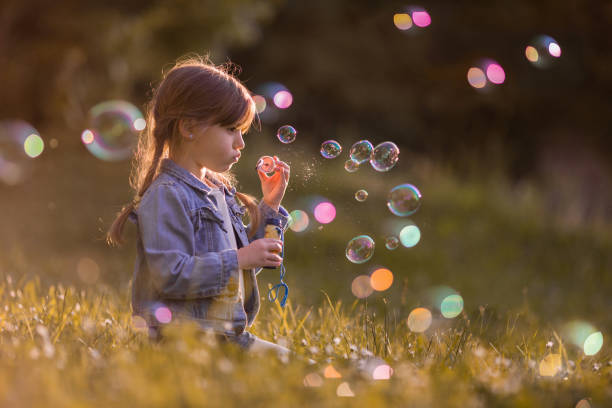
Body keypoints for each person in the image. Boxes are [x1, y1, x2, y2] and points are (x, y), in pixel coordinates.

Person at [106, 55, 291, 356]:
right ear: (189, 128)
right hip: (183, 343)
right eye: (231, 129)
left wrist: (270, 206)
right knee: (297, 372)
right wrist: (240, 258)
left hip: (225, 337)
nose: (241, 143)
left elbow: (244, 265)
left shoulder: (218, 192)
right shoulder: (167, 195)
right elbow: (172, 276)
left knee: (303, 369)